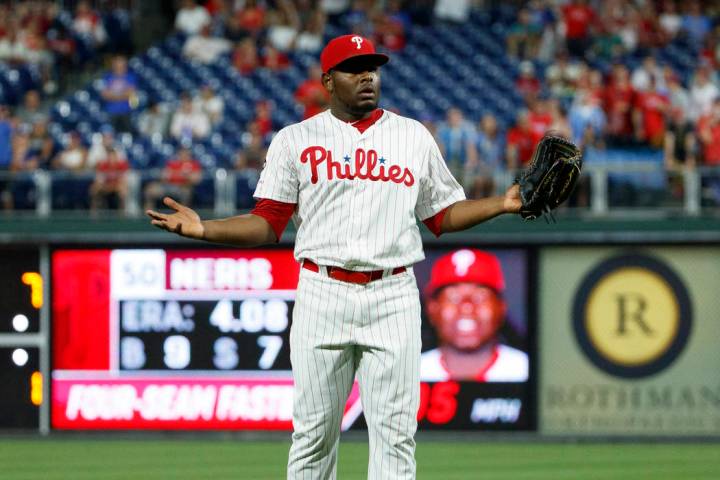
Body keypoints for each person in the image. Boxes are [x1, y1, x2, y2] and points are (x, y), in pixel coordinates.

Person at [146, 34, 522, 479]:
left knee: (396, 439)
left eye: (373, 67)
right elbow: (268, 221)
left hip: (394, 291)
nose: (367, 75)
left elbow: (441, 216)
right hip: (323, 291)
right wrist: (205, 228)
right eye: (353, 68)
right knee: (313, 438)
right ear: (328, 80)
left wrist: (500, 204)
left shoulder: (412, 136)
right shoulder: (296, 140)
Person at [420, 249, 529, 382]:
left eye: (480, 296)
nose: (467, 306)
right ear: (432, 310)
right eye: (453, 297)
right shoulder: (408, 375)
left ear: (501, 308)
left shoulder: (526, 370)